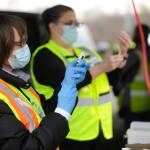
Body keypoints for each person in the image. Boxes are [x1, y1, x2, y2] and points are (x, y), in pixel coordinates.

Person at [30, 5, 131, 150]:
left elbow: (110, 79)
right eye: (69, 23)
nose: (75, 27)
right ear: (53, 26)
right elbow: (66, 84)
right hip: (68, 133)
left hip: (96, 129)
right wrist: (101, 67)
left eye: (76, 23)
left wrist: (122, 55)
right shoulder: (44, 56)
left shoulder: (86, 52)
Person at [0, 14, 89, 150]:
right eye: (19, 44)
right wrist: (62, 113)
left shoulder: (16, 81)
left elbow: (41, 113)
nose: (25, 48)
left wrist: (66, 85)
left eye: (24, 42)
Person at [114, 24, 150, 129]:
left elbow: (120, 76)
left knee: (133, 139)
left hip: (132, 105)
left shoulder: (134, 55)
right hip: (147, 105)